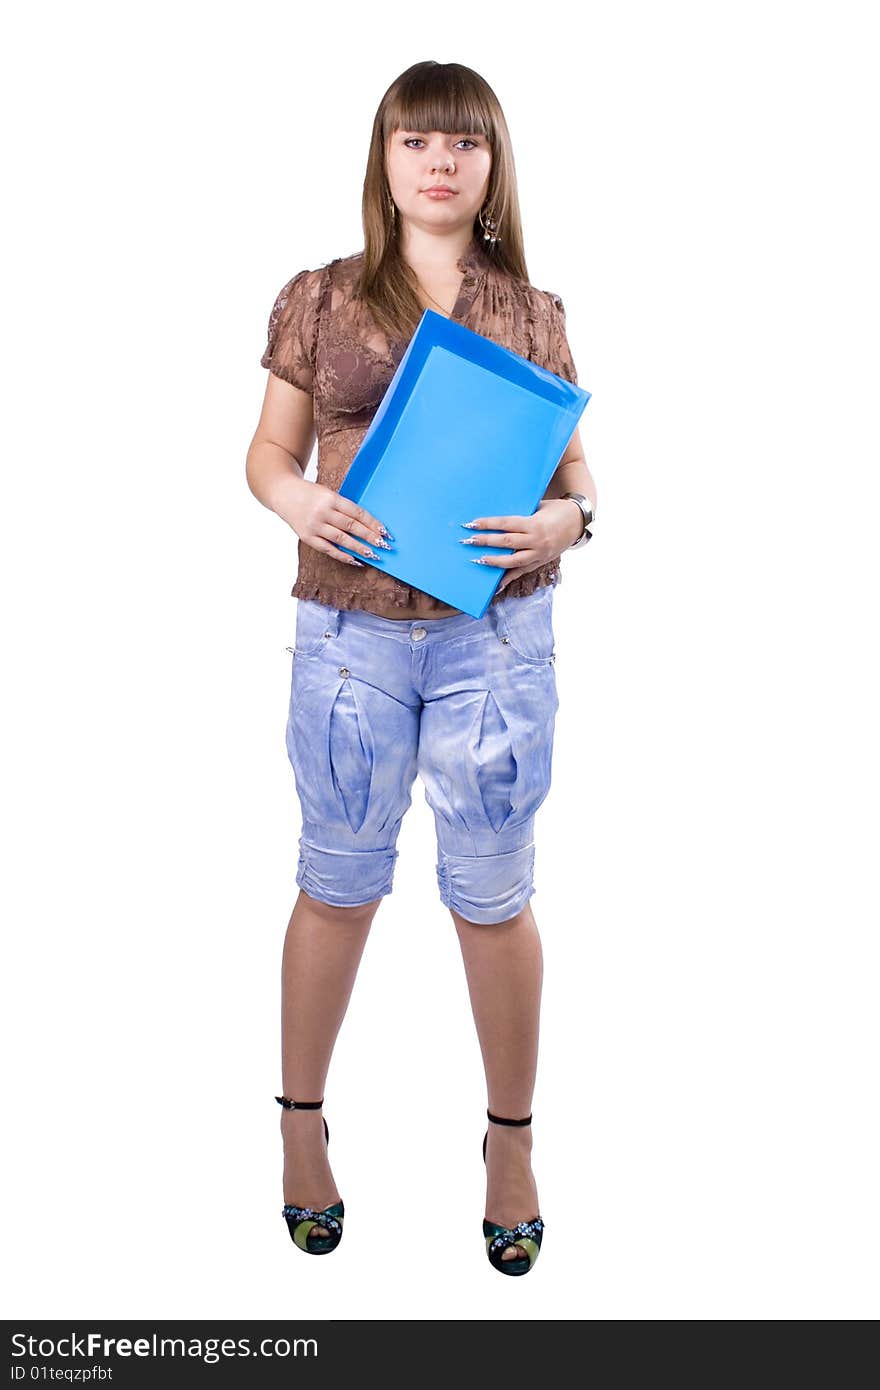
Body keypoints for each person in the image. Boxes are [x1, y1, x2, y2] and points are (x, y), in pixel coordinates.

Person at [246, 60, 597, 1276]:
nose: (438, 161)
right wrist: (297, 501)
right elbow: (266, 453)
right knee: (338, 880)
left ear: (492, 167)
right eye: (415, 140)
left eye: (462, 142)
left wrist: (568, 521)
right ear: (383, 160)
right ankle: (301, 1127)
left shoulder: (532, 314)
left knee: (491, 892)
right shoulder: (322, 295)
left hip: (494, 638)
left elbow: (576, 479)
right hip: (346, 633)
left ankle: (509, 1143)